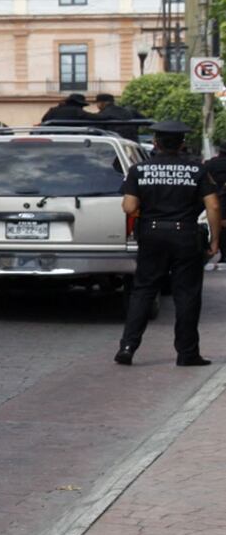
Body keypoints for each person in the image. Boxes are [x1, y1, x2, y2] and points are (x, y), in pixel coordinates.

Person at [115, 121, 221, 367]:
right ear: (182, 144)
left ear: (155, 143)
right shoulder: (197, 170)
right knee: (187, 295)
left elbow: (129, 207)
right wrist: (215, 240)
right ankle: (187, 354)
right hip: (186, 235)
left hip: (151, 235)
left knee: (143, 291)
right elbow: (214, 206)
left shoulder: (138, 170)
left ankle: (128, 347)